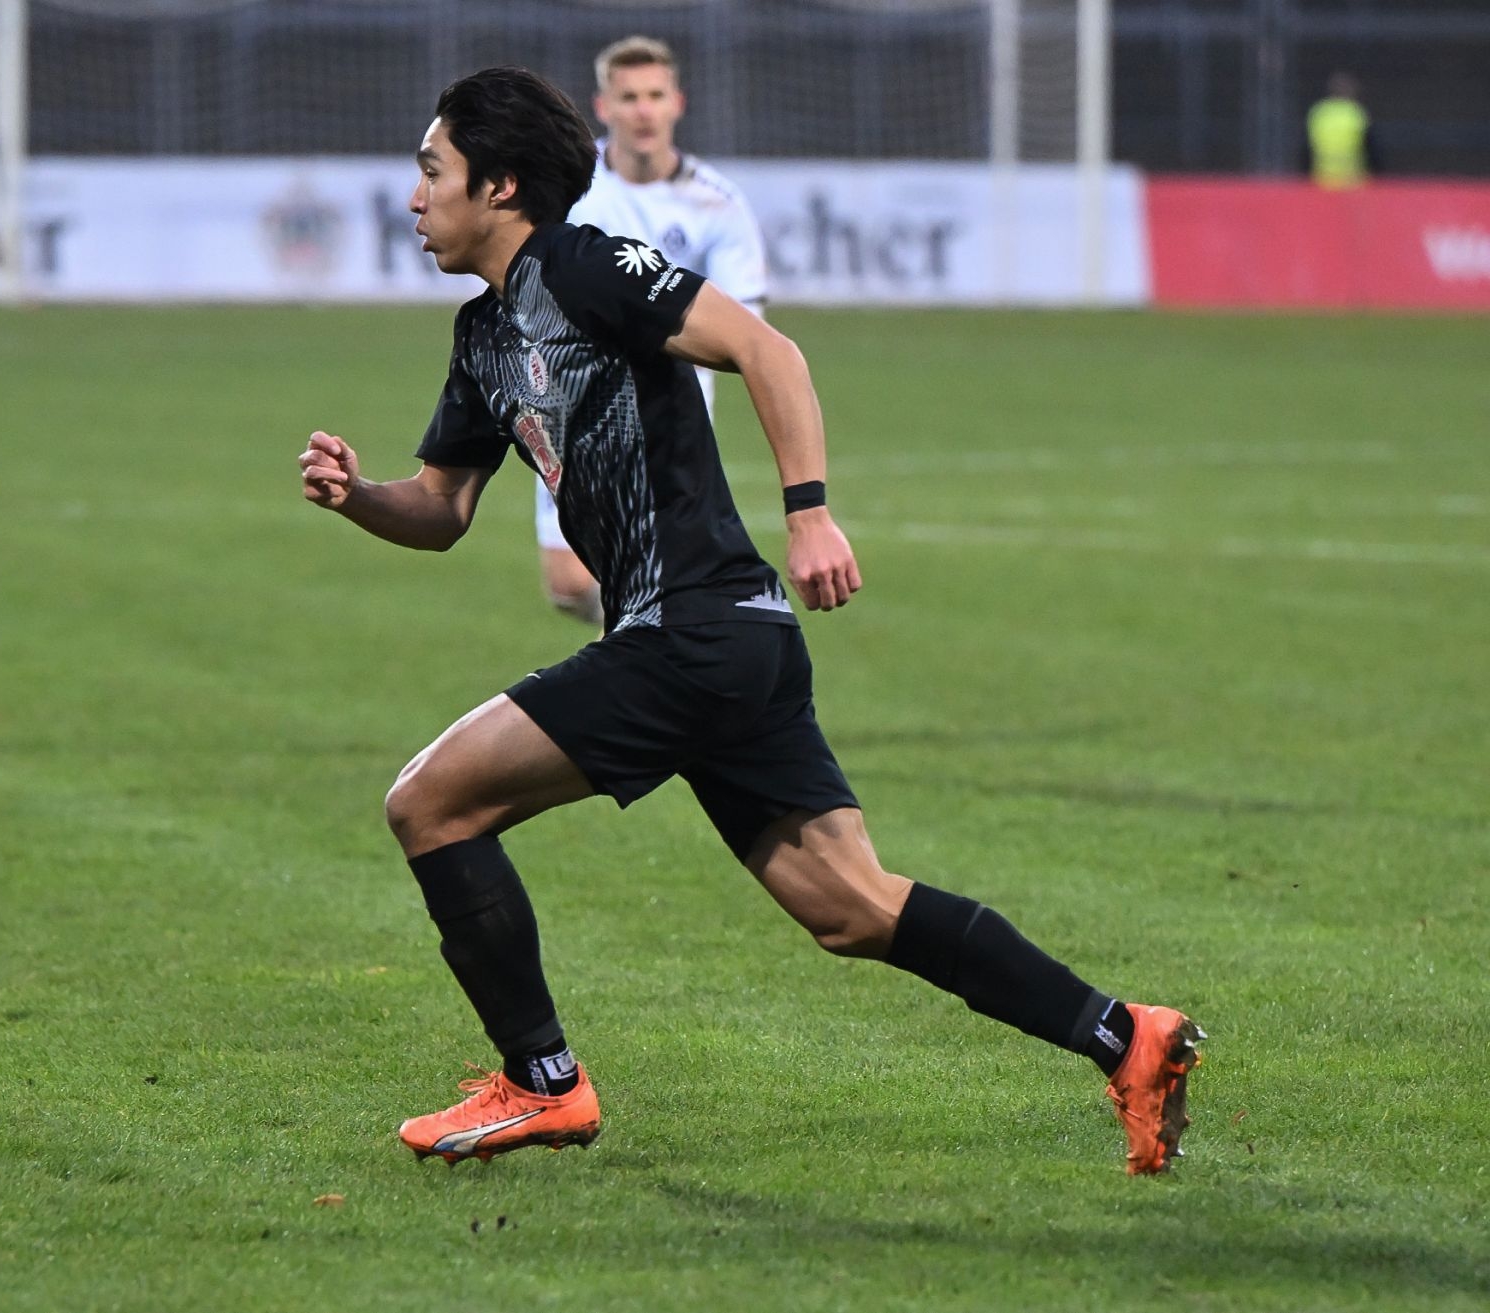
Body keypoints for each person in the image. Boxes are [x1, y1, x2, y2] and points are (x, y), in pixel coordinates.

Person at [297, 67, 1203, 1176]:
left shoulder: (587, 265)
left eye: (431, 170)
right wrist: (359, 497)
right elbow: (441, 509)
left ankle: (543, 1081)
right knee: (851, 907)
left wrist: (810, 513)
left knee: (429, 804)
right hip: (728, 640)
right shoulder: (485, 335)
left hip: (688, 632)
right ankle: (1126, 1036)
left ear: (501, 185)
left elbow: (768, 350)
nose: (414, 196)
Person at [537, 35, 769, 627]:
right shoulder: (567, 186)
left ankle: (663, 657)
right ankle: (658, 645)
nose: (644, 110)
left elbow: (747, 327)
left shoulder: (717, 204)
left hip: (669, 420)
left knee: (642, 583)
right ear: (603, 106)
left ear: (677, 104)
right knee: (569, 585)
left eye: (655, 96)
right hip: (570, 409)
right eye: (629, 97)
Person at [1305, 72, 1379, 189]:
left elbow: (1306, 147)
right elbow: (1371, 146)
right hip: (1353, 180)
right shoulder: (1355, 113)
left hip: (1322, 180)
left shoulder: (1319, 112)